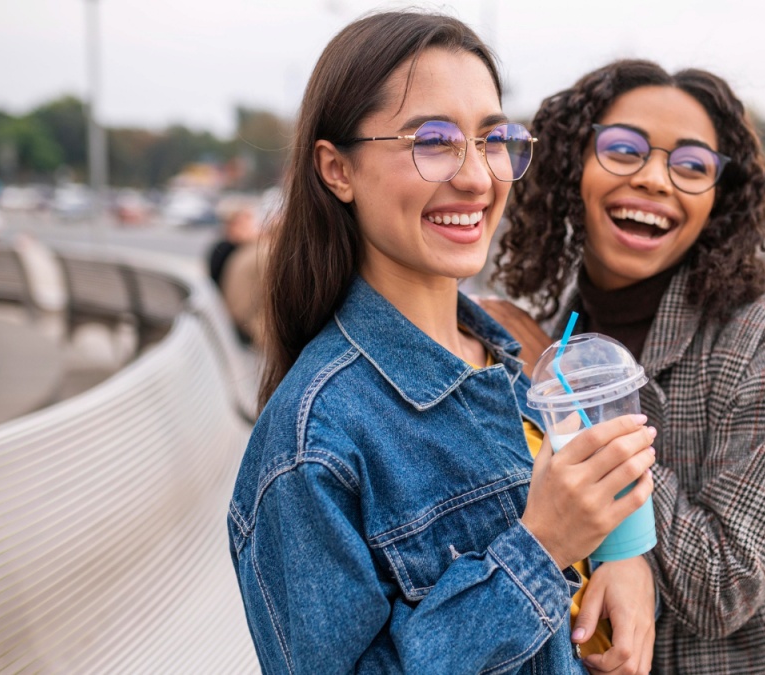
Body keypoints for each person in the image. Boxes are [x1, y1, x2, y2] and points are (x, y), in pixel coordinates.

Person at [228, 14, 658, 674]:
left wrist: (622, 559)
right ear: (337, 169)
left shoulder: (510, 359)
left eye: (492, 139)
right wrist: (539, 548)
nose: (478, 178)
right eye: (434, 140)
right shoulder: (311, 444)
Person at [485, 60, 765, 673]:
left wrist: (586, 408)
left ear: (718, 198)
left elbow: (722, 588)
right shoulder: (557, 338)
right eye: (624, 149)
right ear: (571, 168)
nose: (657, 179)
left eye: (691, 165)